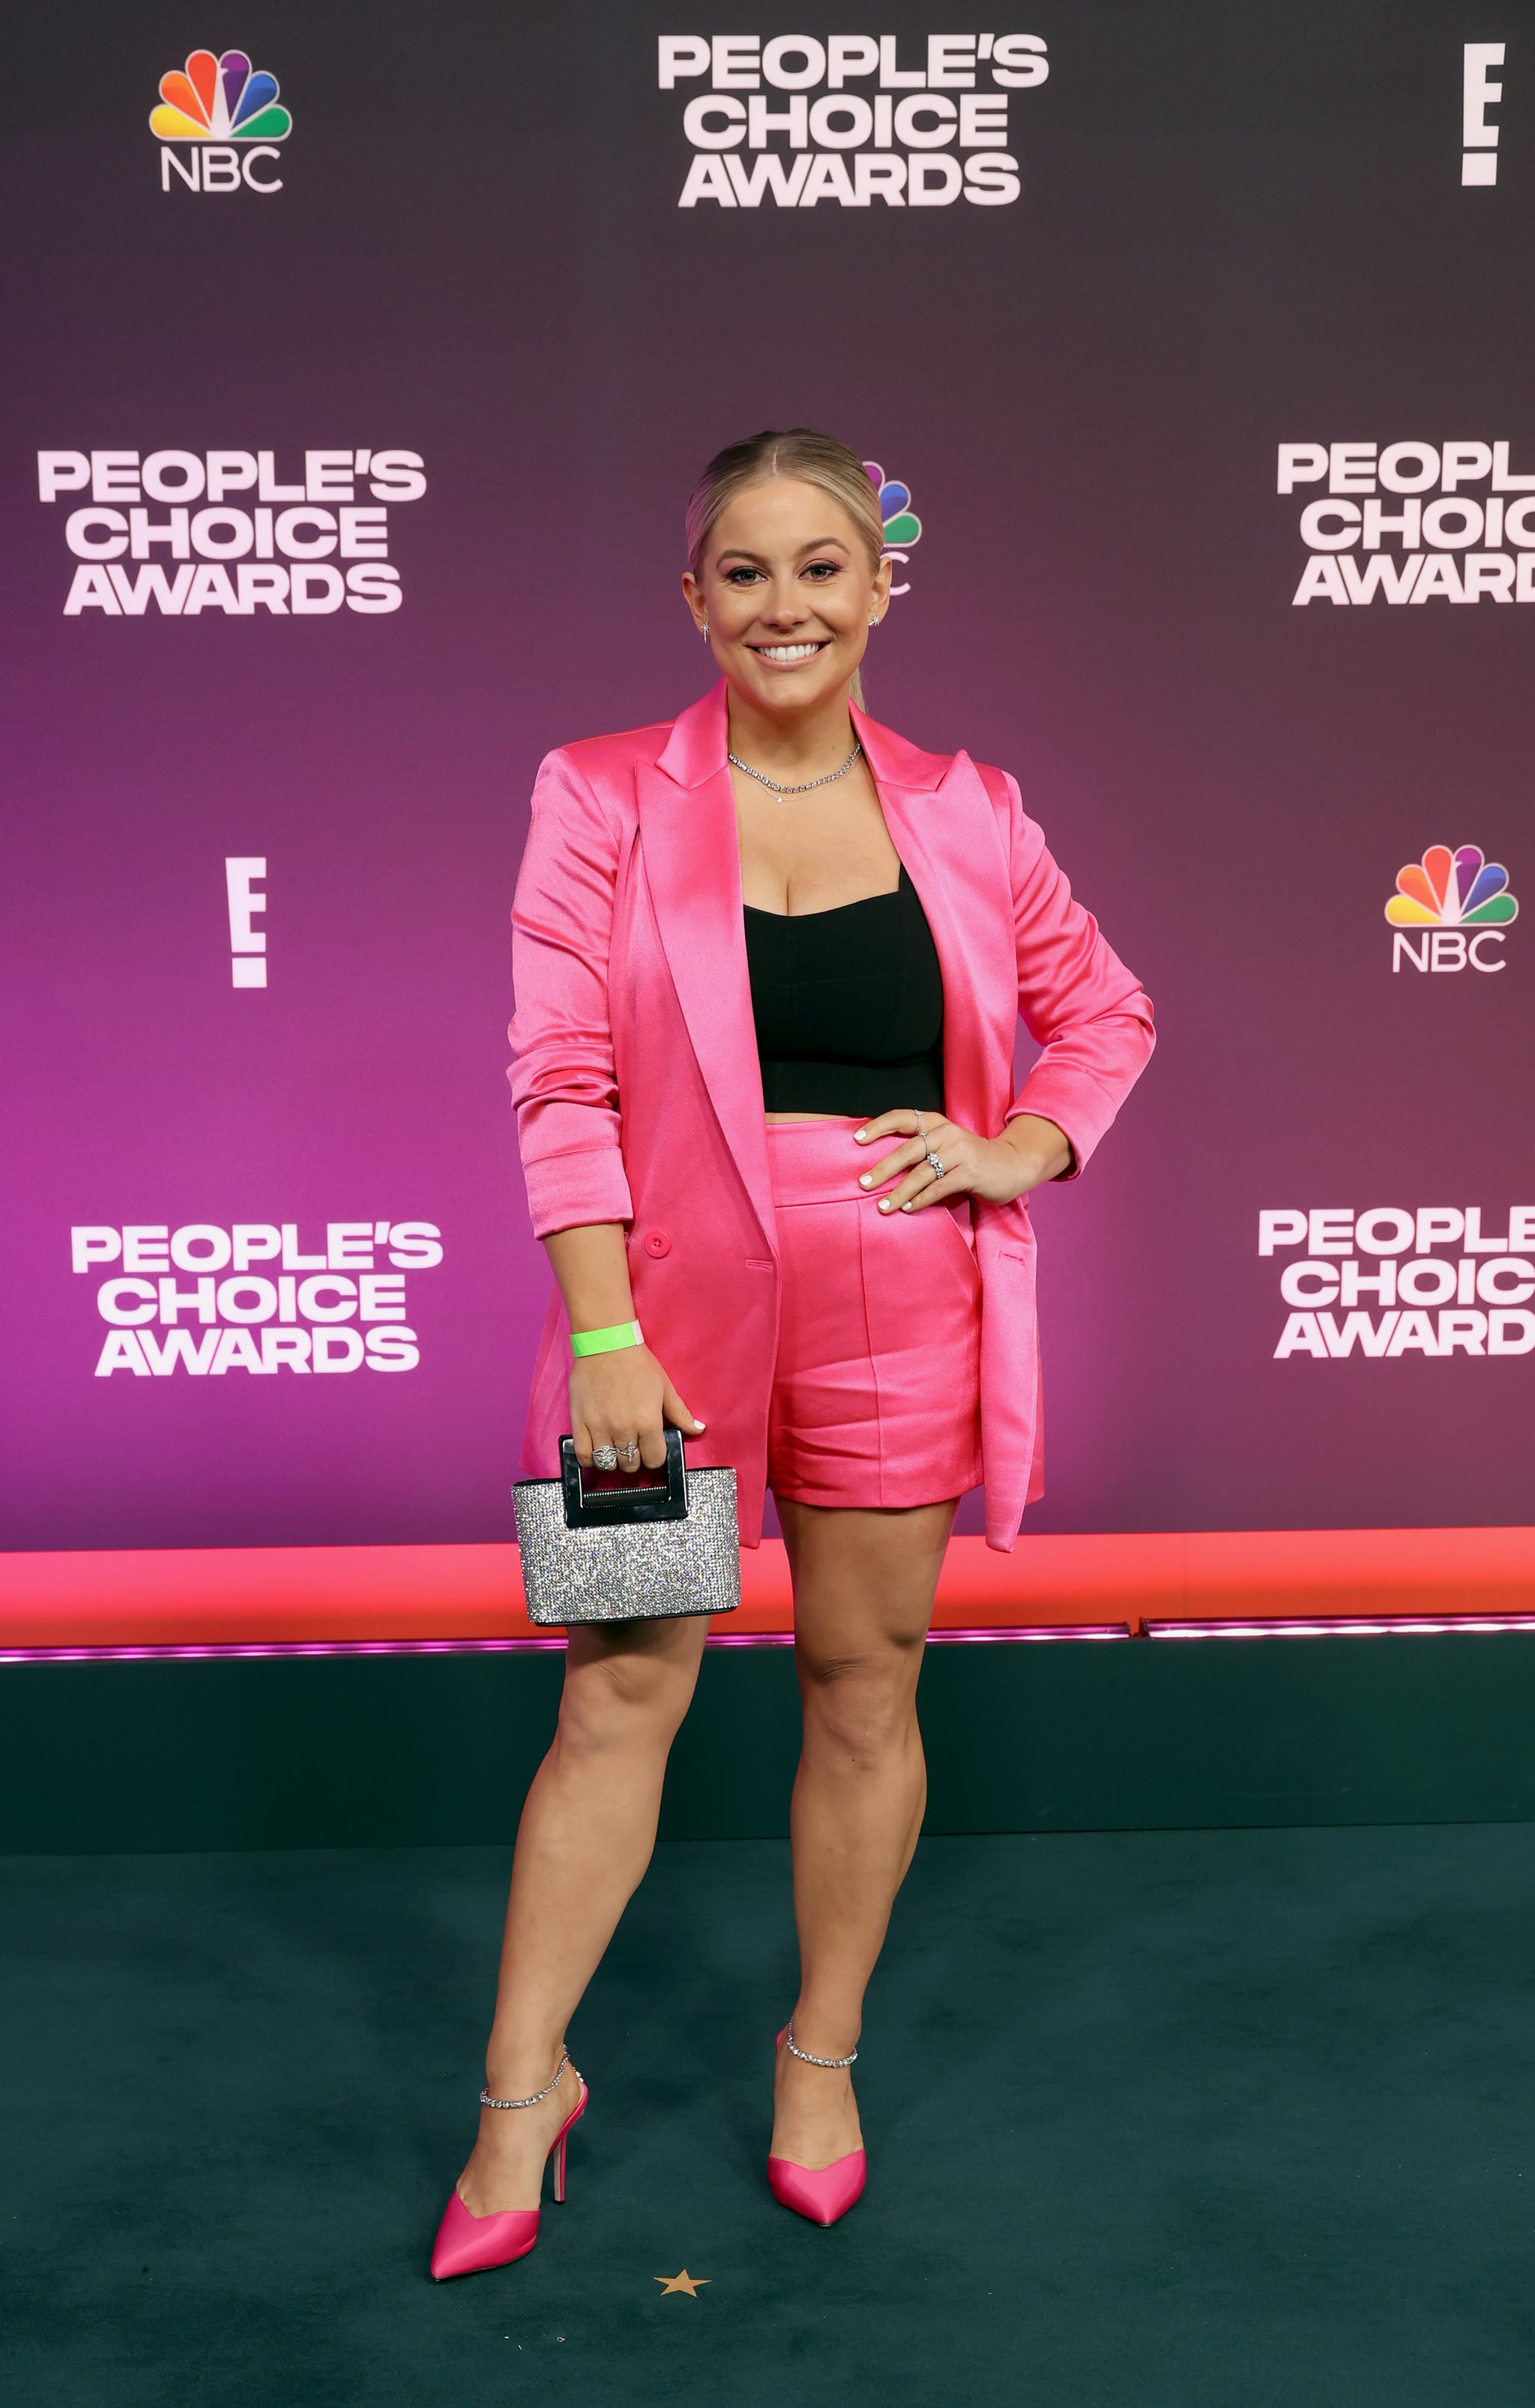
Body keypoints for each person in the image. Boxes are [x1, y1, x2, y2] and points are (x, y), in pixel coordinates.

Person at [429, 428, 1154, 2278]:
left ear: (880, 585)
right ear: (693, 598)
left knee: (864, 1676)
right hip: (655, 1324)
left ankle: (817, 2055)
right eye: (743, 572)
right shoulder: (598, 793)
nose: (784, 606)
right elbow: (556, 1073)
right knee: (618, 1688)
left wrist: (1016, 1145)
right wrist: (600, 1324)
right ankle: (526, 2087)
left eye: (819, 568)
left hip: (906, 1305)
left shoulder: (971, 807)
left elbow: (1100, 1011)